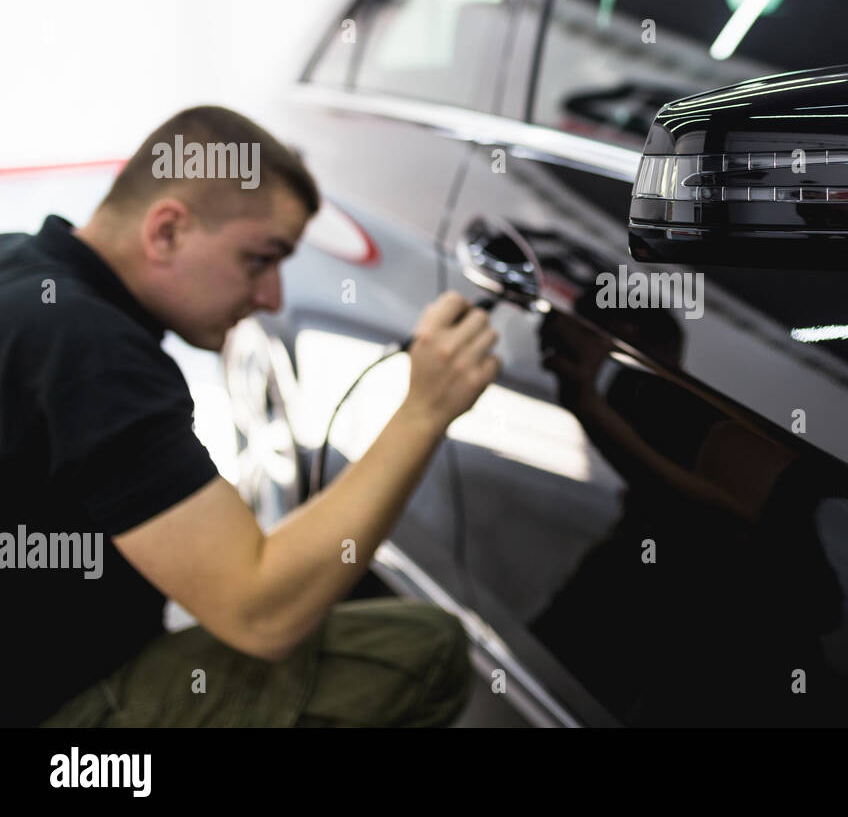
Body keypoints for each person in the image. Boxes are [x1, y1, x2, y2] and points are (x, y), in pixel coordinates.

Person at [0, 106, 499, 726]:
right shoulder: (87, 347)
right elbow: (261, 613)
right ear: (167, 232)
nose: (272, 298)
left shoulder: (21, 270)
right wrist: (425, 410)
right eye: (260, 260)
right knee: (423, 649)